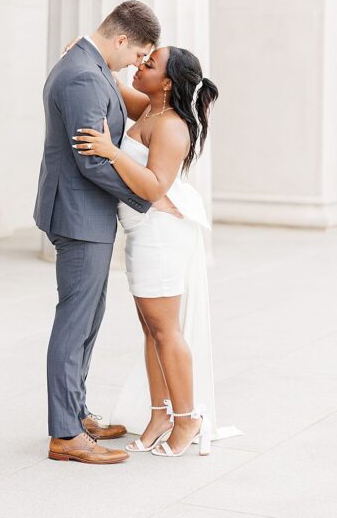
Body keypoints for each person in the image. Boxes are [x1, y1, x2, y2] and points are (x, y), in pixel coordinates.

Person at [73, 45, 232, 457]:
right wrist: (87, 51)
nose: (140, 66)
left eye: (150, 63)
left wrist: (110, 152)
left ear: (166, 82)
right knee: (152, 329)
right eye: (144, 58)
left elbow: (153, 187)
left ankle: (187, 419)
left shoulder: (172, 126)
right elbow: (109, 80)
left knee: (166, 330)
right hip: (144, 231)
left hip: (159, 234)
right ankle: (160, 413)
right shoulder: (149, 106)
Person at [34, 0, 161, 465]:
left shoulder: (88, 62)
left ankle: (76, 411)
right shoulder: (87, 73)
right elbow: (91, 160)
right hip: (79, 214)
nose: (135, 66)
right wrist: (146, 197)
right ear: (122, 39)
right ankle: (66, 434)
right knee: (75, 322)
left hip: (82, 212)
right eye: (137, 55)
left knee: (87, 319)